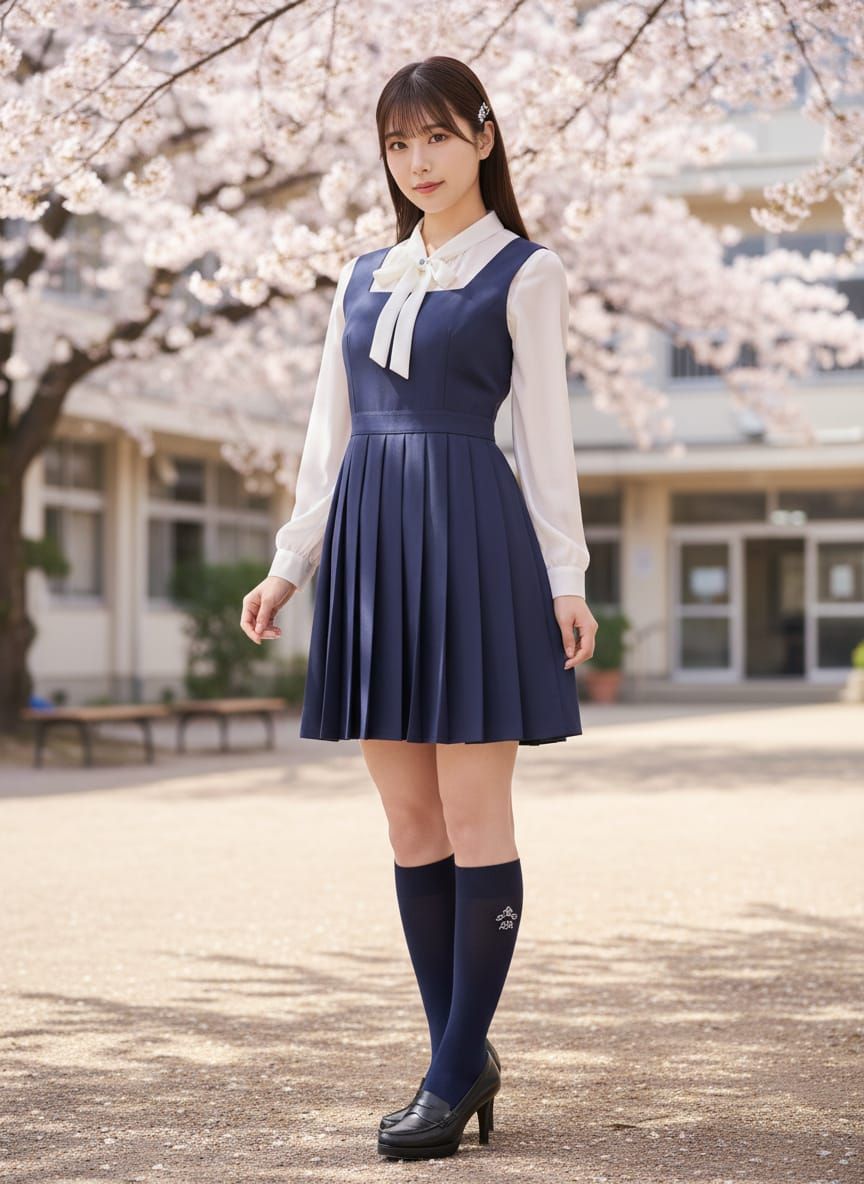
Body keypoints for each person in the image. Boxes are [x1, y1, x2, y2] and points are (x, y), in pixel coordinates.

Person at [240, 55, 598, 1161]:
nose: (418, 161)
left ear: (484, 137)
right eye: (399, 143)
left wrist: (567, 575)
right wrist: (290, 562)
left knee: (475, 811)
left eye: (438, 136)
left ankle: (448, 1072)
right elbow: (329, 434)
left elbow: (546, 439)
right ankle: (461, 1054)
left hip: (473, 537)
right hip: (371, 542)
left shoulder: (525, 272)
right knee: (408, 819)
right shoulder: (363, 276)